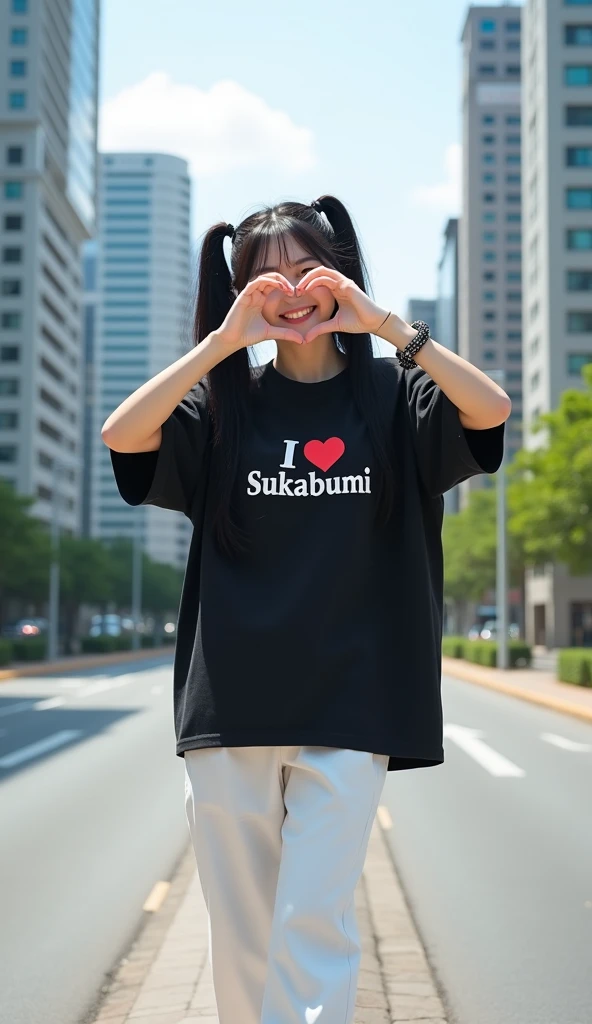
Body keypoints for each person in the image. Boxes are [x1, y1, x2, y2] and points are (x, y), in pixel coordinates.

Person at [102, 194, 509, 1024]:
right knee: (243, 937)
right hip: (234, 705)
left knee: (315, 922)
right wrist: (222, 345)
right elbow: (123, 433)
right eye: (264, 277)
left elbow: (491, 409)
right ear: (242, 291)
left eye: (305, 269)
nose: (288, 290)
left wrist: (387, 324)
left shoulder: (395, 395)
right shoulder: (225, 404)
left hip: (352, 705)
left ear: (341, 275)